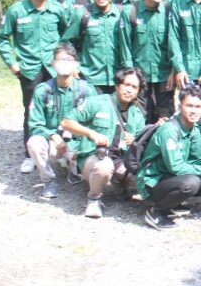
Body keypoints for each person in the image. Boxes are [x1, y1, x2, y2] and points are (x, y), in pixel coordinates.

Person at [0, 0, 70, 171]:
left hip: (54, 68)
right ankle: (30, 155)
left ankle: (60, 151)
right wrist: (12, 62)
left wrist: (66, 62)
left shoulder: (57, 9)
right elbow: (2, 38)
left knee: (60, 107)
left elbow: (66, 37)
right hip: (29, 68)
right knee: (31, 110)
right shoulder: (16, 10)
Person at [136, 84, 201, 230]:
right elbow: (176, 167)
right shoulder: (169, 130)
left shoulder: (194, 129)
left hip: (169, 177)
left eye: (198, 107)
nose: (194, 111)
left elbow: (199, 160)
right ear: (180, 106)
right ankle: (156, 211)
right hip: (151, 182)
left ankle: (172, 202)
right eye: (189, 106)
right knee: (191, 183)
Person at [61, 67, 147, 218]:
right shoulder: (98, 102)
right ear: (117, 85)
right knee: (104, 166)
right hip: (93, 158)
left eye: (134, 87)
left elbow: (140, 145)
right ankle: (94, 199)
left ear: (138, 91)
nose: (129, 90)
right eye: (126, 84)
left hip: (120, 159)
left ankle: (119, 183)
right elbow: (66, 122)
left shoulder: (137, 114)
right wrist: (91, 133)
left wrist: (134, 141)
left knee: (142, 178)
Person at [25, 43, 97, 199]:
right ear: (53, 63)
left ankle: (74, 168)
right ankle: (49, 180)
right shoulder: (42, 90)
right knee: (34, 143)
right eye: (60, 59)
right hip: (53, 143)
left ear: (76, 64)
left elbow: (95, 123)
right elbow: (35, 124)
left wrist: (81, 144)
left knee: (90, 166)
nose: (64, 63)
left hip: (78, 143)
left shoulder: (87, 90)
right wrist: (53, 136)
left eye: (68, 59)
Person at [116, 0, 174, 123]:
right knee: (140, 118)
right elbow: (125, 47)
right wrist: (130, 76)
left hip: (164, 76)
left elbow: (175, 43)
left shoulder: (169, 11)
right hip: (139, 77)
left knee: (166, 117)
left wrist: (174, 71)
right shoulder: (130, 11)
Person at [59, 0, 123, 93]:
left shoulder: (122, 14)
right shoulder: (82, 14)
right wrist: (73, 66)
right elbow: (66, 43)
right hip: (91, 78)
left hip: (119, 78)